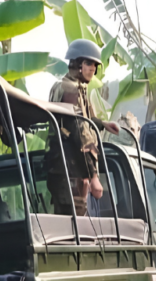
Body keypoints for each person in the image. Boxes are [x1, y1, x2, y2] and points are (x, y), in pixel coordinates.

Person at [46, 39, 120, 216]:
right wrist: (94, 176)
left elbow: (84, 119)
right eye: (88, 63)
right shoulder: (70, 89)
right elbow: (79, 131)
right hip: (68, 167)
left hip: (68, 167)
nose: (93, 68)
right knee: (72, 226)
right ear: (77, 63)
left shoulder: (77, 88)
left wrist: (102, 124)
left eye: (95, 64)